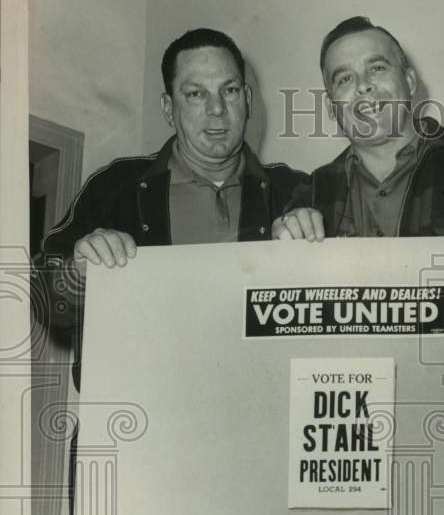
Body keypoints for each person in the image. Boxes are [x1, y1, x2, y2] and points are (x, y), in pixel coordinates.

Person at [41, 27, 308, 378]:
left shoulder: (294, 191)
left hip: (257, 401)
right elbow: (44, 299)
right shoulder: (115, 186)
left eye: (229, 90)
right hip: (140, 405)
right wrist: (77, 273)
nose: (217, 109)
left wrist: (315, 253)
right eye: (196, 94)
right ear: (169, 108)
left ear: (247, 99)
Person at [273, 16, 444, 240]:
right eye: (345, 79)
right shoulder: (310, 196)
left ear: (410, 82)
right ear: (331, 107)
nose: (362, 86)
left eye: (377, 68)